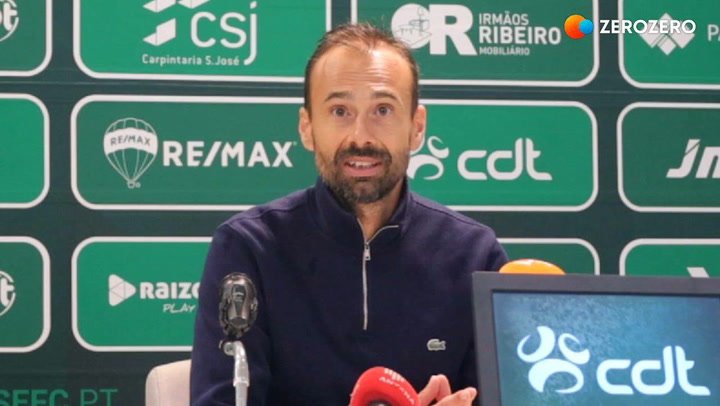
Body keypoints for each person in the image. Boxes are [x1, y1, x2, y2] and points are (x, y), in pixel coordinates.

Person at [190, 22, 508, 405]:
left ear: (417, 127)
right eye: (340, 111)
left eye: (383, 110)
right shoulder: (248, 248)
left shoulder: (476, 255)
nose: (361, 137)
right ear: (307, 127)